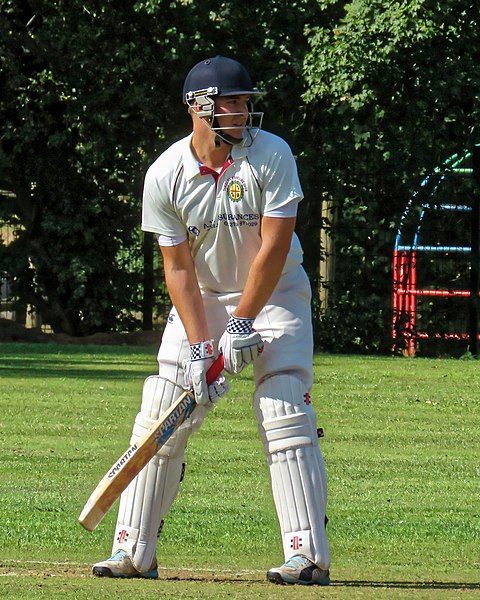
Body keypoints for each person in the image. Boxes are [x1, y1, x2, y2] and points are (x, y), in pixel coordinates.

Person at [92, 55, 330, 586]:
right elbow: (176, 266)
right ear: (198, 107)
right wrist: (203, 346)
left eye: (247, 102)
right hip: (202, 300)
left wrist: (244, 323)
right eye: (234, 102)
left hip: (275, 295)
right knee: (162, 409)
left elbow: (274, 244)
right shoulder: (166, 173)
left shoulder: (272, 155)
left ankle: (306, 556)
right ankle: (134, 552)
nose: (244, 111)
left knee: (283, 403)